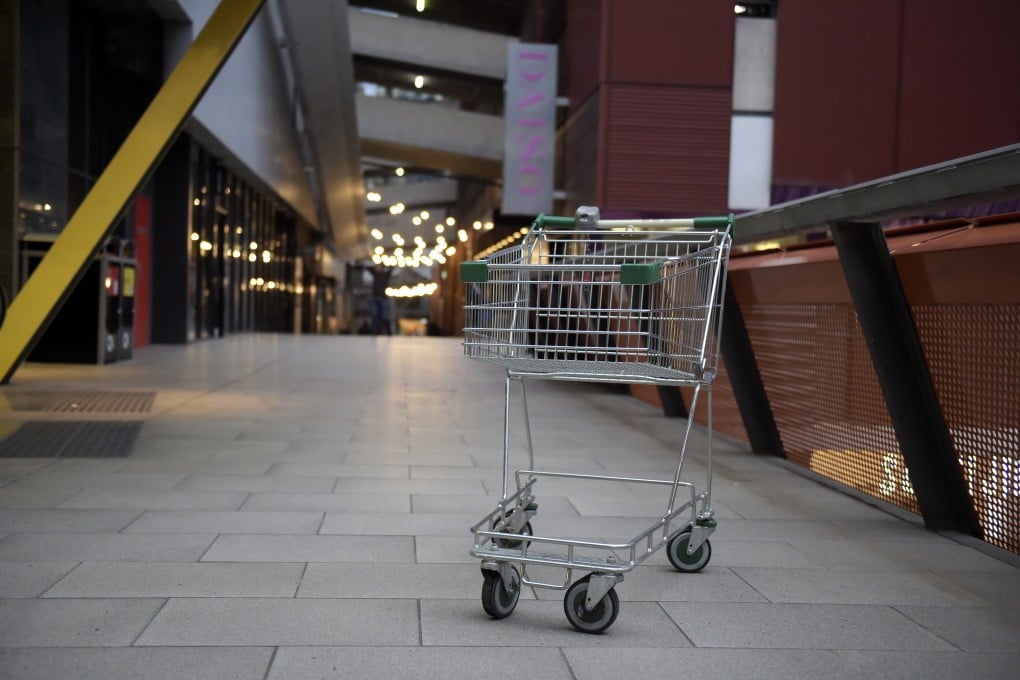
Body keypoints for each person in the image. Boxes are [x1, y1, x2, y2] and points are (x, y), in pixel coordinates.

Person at [370, 263, 392, 335]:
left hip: (383, 298)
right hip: (375, 297)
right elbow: (370, 269)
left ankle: (389, 332)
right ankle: (373, 332)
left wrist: (387, 264)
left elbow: (391, 269)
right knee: (374, 316)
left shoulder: (386, 275)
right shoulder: (375, 274)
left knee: (384, 316)